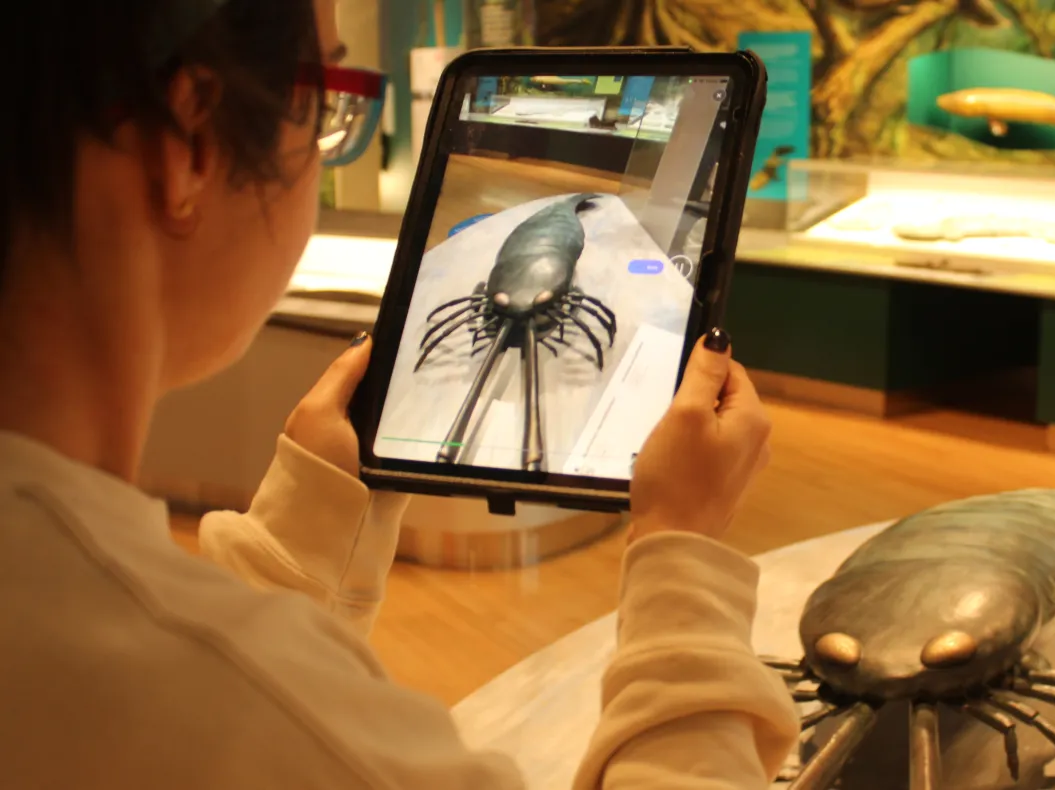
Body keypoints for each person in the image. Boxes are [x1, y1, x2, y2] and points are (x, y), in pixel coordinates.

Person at [0, 1, 800, 787]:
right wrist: (682, 555)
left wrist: (302, 540)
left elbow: (201, 670)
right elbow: (235, 695)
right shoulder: (280, 736)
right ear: (192, 147)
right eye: (329, 102)